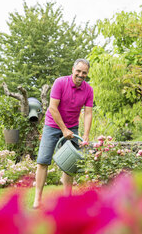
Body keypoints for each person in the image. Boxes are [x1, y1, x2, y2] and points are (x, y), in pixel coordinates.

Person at [33, 58, 93, 209]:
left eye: (84, 72)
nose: (81, 74)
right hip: (52, 125)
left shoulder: (88, 90)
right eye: (78, 71)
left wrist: (85, 134)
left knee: (70, 164)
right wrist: (63, 129)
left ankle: (67, 200)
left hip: (72, 127)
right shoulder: (60, 82)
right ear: (73, 70)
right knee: (43, 161)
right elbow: (53, 108)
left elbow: (87, 113)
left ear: (87, 74)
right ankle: (37, 199)